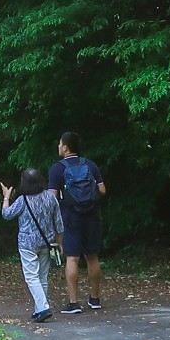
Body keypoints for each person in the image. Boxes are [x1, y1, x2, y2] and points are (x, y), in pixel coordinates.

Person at [49, 132, 107, 313]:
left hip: (71, 217)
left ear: (65, 147)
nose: (58, 147)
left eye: (60, 144)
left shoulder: (57, 169)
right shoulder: (90, 165)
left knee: (72, 258)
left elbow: (52, 197)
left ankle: (74, 303)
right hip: (92, 216)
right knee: (92, 256)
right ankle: (95, 299)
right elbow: (103, 190)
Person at [0, 168, 64, 322]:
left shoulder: (23, 200)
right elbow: (59, 224)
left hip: (27, 244)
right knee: (42, 276)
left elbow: (7, 215)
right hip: (47, 243)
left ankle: (43, 308)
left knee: (31, 277)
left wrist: (6, 198)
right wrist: (60, 244)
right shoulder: (50, 197)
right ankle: (38, 310)